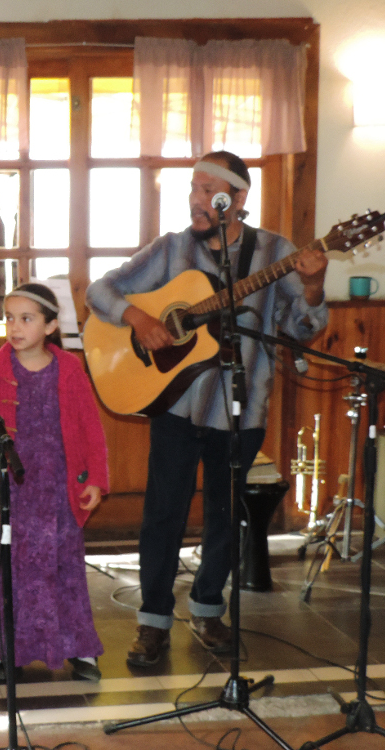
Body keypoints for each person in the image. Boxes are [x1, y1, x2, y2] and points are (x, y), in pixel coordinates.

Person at [86, 151, 328, 667]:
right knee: (162, 517)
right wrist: (138, 318)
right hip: (176, 408)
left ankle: (207, 608)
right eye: (193, 188)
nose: (195, 199)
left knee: (224, 516)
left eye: (207, 191)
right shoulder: (170, 249)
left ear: (237, 199)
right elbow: (98, 290)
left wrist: (312, 285)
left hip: (240, 409)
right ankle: (152, 622)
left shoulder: (273, 252)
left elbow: (305, 328)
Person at [0, 283, 109, 683]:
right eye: (9, 318)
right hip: (13, 488)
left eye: (26, 319)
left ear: (50, 326)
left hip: (59, 487)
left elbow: (90, 427)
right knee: (11, 567)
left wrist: (97, 478)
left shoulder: (68, 367)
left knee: (64, 567)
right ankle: (9, 649)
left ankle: (79, 649)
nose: (14, 327)